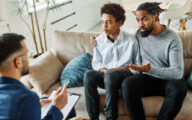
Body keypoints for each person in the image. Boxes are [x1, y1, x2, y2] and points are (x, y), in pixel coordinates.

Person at [121, 2, 188, 120]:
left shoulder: (172, 38)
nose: (140, 24)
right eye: (137, 20)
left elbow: (177, 72)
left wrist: (150, 69)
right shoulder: (138, 34)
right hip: (147, 79)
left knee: (180, 87)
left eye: (144, 19)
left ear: (156, 17)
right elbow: (121, 40)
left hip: (169, 80)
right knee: (127, 83)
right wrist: (99, 40)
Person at [84, 3, 140, 120]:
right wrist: (104, 70)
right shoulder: (98, 40)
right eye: (103, 21)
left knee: (111, 74)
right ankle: (93, 118)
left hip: (123, 77)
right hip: (106, 76)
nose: (104, 26)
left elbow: (137, 67)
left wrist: (119, 70)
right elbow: (96, 63)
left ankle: (111, 117)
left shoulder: (131, 41)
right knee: (88, 75)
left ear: (119, 23)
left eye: (108, 22)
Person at [0, 33, 73, 120]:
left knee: (46, 98)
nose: (28, 58)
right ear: (18, 62)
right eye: (27, 54)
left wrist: (33, 106)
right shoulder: (27, 97)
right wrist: (57, 108)